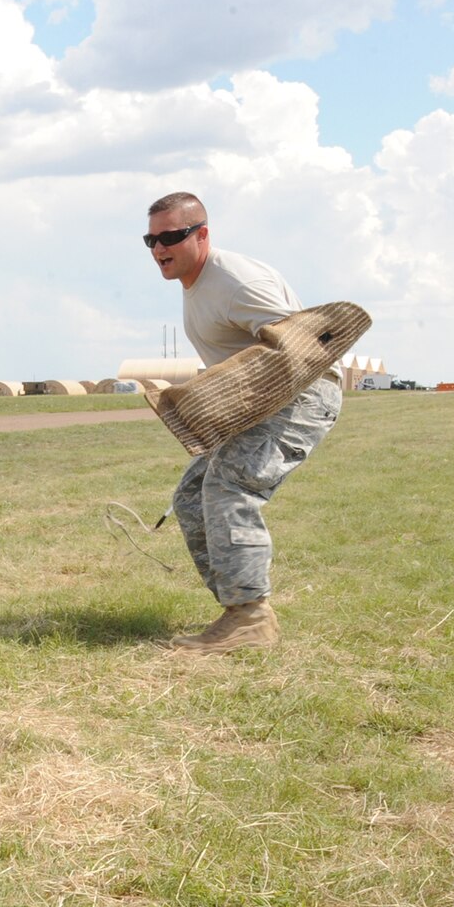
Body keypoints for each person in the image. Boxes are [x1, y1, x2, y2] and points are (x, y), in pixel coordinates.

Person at [145, 191, 341, 654]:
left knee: (229, 487)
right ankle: (239, 611)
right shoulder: (198, 284)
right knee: (191, 496)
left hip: (302, 397)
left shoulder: (235, 281)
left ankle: (250, 617)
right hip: (259, 407)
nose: (159, 249)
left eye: (171, 236)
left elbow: (304, 347)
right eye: (150, 240)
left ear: (202, 233)